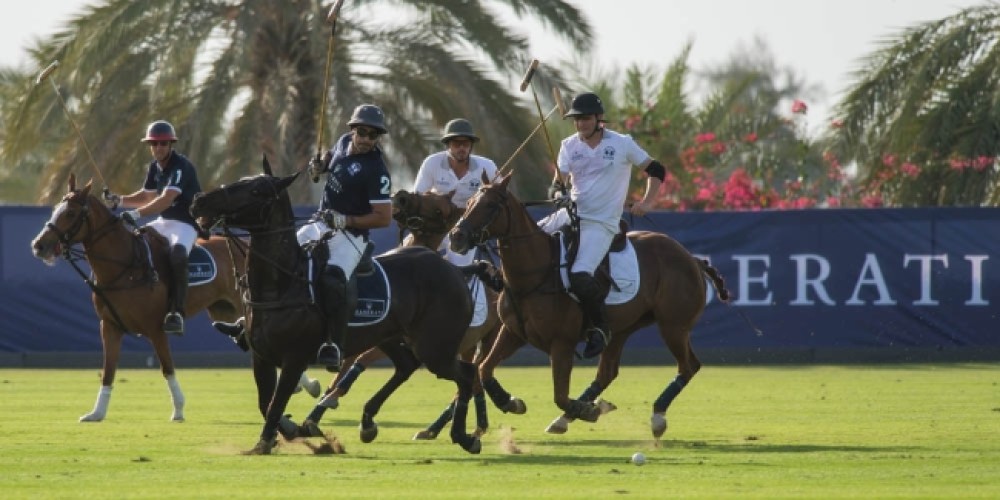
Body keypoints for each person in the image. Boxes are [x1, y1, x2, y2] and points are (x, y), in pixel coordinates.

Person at [215, 104, 393, 371]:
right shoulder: (343, 143)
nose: (367, 139)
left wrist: (348, 220)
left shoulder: (376, 170)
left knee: (333, 279)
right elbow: (327, 166)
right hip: (321, 222)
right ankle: (247, 323)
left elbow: (384, 217)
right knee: (276, 258)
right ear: (352, 130)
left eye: (373, 135)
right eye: (363, 132)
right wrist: (318, 168)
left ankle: (334, 343)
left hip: (352, 236)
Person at [540, 92, 665, 358]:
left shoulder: (622, 143)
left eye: (585, 118)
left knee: (581, 274)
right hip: (571, 214)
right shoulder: (568, 145)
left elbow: (657, 170)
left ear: (598, 119)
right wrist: (557, 195)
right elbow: (557, 183)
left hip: (601, 223)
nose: (581, 124)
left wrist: (647, 202)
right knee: (528, 242)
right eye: (576, 119)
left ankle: (600, 327)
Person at [101, 120, 202, 336]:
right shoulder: (154, 168)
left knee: (177, 255)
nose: (158, 148)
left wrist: (137, 214)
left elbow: (166, 199)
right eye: (154, 144)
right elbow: (147, 196)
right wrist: (119, 201)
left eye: (163, 144)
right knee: (134, 244)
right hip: (164, 222)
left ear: (170, 144)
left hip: (185, 224)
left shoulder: (180, 166)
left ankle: (177, 312)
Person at [412, 118, 497, 266]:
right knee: (410, 258)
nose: (462, 148)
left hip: (466, 230)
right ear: (448, 145)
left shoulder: (487, 166)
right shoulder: (432, 163)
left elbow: (500, 196)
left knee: (457, 269)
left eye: (466, 144)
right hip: (435, 225)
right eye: (457, 144)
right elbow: (418, 198)